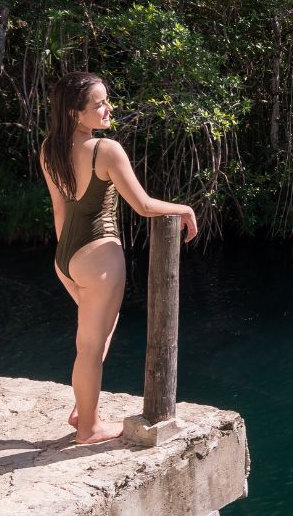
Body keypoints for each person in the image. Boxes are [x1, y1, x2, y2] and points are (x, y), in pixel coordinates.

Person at [39, 72, 198, 445]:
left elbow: (59, 211)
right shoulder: (105, 149)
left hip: (68, 256)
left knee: (99, 333)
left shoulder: (50, 148)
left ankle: (84, 408)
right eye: (99, 104)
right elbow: (143, 205)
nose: (109, 108)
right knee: (90, 347)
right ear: (76, 114)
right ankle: (89, 429)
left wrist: (68, 263)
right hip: (100, 256)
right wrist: (185, 208)